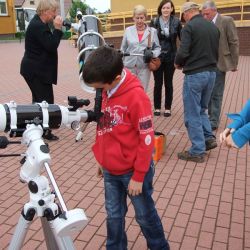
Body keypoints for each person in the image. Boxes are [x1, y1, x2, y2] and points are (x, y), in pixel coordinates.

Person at [82, 46, 169, 250]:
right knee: (113, 215)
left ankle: (159, 246)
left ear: (114, 78)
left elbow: (146, 139)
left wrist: (139, 176)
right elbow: (103, 125)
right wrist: (100, 157)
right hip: (111, 170)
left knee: (144, 215)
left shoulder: (136, 97)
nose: (98, 91)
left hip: (133, 171)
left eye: (100, 87)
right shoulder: (104, 91)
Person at [174, 2, 220, 163]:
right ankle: (208, 139)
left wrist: (177, 62)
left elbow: (183, 50)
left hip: (195, 74)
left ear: (187, 13)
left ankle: (197, 150)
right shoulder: (212, 27)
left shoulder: (189, 27)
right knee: (202, 109)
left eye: (183, 16)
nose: (183, 19)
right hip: (211, 73)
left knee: (192, 112)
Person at [20, 0, 63, 140]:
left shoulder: (39, 23)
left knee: (39, 101)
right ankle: (45, 132)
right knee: (45, 102)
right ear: (45, 11)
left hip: (36, 70)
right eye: (53, 11)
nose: (55, 14)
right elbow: (51, 45)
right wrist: (57, 29)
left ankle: (36, 127)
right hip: (35, 71)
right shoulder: (38, 26)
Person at [202, 0, 239, 131]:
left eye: (207, 14)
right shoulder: (204, 22)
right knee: (208, 91)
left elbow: (233, 41)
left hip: (219, 63)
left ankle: (213, 121)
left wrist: (234, 62)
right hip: (206, 62)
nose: (205, 17)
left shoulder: (226, 20)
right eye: (203, 14)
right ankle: (209, 117)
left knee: (216, 92)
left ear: (214, 10)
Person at [150, 0, 182, 117]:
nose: (166, 10)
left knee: (168, 83)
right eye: (164, 8)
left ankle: (168, 108)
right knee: (157, 83)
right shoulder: (154, 21)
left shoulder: (176, 21)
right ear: (160, 9)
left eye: (168, 8)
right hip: (157, 56)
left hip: (171, 56)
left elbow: (182, 38)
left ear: (172, 9)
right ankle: (157, 107)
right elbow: (150, 39)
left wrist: (181, 56)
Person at [120, 5, 161, 92]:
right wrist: (120, 64)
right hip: (129, 66)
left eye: (141, 18)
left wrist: (152, 53)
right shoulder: (128, 30)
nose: (139, 21)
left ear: (145, 17)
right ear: (133, 18)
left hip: (144, 67)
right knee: (128, 91)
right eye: (137, 18)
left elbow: (158, 48)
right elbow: (122, 49)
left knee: (141, 91)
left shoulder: (152, 31)